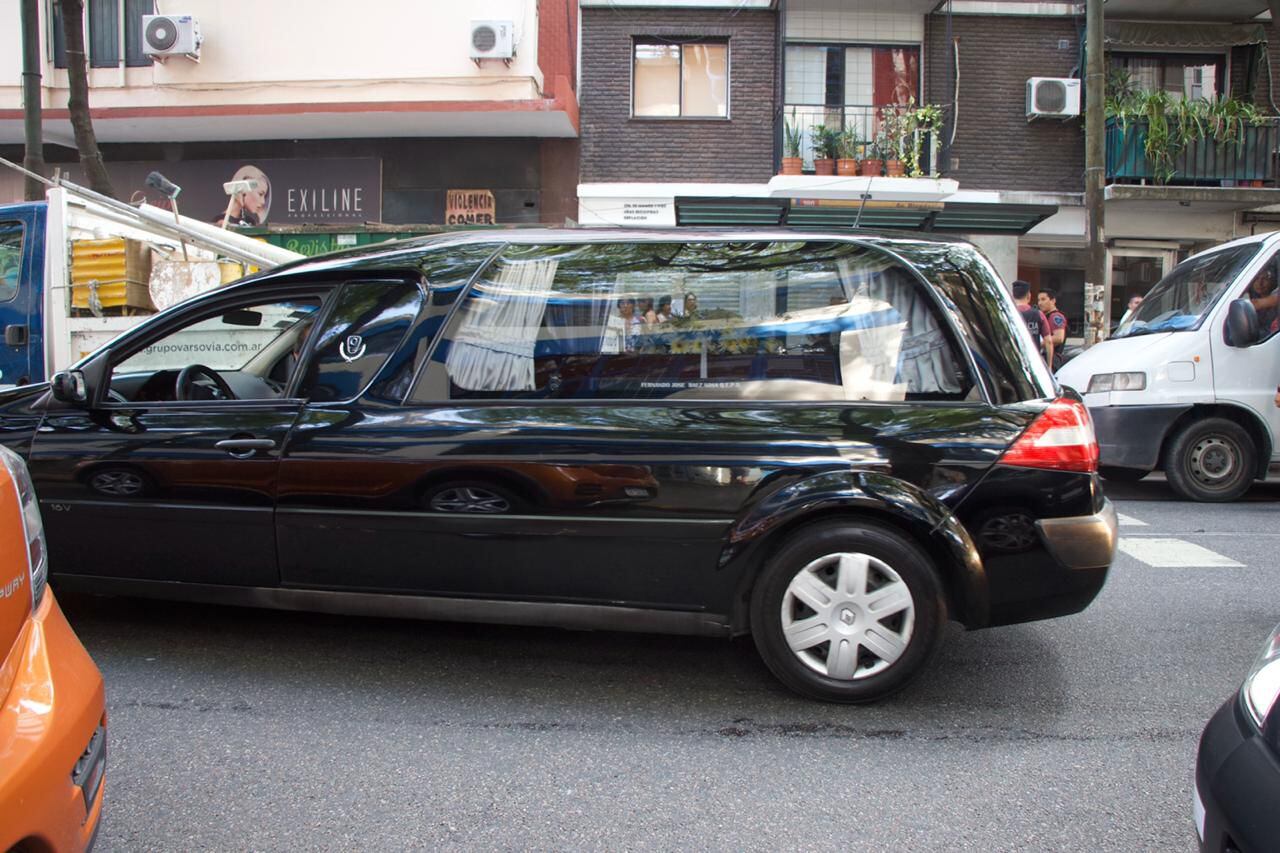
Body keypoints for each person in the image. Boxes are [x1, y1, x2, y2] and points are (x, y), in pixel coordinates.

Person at [1012, 280, 1053, 367]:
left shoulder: (1007, 314)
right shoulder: (1038, 314)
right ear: (1029, 296)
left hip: (1014, 363)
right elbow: (1048, 341)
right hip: (1034, 364)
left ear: (1012, 296)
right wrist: (1049, 366)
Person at [1037, 287, 1068, 369]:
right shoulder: (1045, 316)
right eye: (1039, 300)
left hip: (1053, 359)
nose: (1040, 303)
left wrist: (1037, 343)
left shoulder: (1055, 316)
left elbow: (1059, 338)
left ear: (1053, 301)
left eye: (1043, 299)